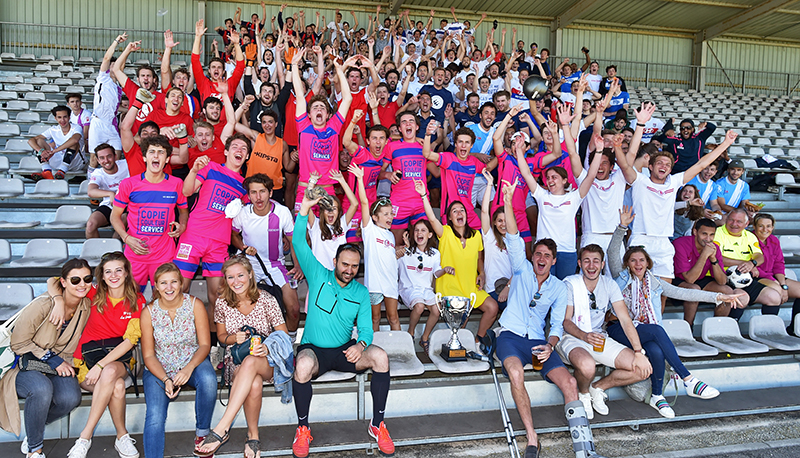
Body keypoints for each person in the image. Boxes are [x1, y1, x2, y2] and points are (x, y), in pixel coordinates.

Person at [494, 183, 604, 458]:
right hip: (509, 336)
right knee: (516, 373)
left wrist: (551, 345)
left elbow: (556, 325)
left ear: (554, 261)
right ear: (532, 258)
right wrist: (508, 201)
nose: (541, 258)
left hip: (538, 343)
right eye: (538, 254)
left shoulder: (558, 286)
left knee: (569, 383)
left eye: (546, 256)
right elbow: (513, 237)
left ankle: (584, 449)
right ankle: (532, 438)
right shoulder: (521, 270)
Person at [608, 208, 740, 418]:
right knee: (657, 332)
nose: (638, 264)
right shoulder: (620, 277)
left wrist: (718, 297)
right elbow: (612, 253)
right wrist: (622, 228)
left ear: (648, 264)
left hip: (644, 331)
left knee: (657, 350)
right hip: (619, 328)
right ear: (627, 264)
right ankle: (688, 379)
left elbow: (683, 292)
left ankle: (657, 396)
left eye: (642, 260)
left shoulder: (655, 283)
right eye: (633, 260)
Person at [291, 191, 394, 458]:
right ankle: (303, 428)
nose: (349, 270)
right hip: (314, 349)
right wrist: (304, 211)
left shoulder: (360, 292)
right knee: (302, 367)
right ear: (335, 262)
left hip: (345, 350)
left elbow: (368, 328)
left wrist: (361, 345)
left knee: (380, 357)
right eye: (345, 264)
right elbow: (299, 245)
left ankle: (377, 424)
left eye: (354, 266)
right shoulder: (318, 274)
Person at [615, 108, 737, 281]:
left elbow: (701, 164)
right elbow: (627, 163)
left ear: (671, 169)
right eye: (659, 162)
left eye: (667, 164)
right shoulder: (640, 180)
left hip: (664, 241)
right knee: (636, 287)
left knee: (666, 287)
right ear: (650, 166)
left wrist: (725, 144)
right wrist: (640, 124)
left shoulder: (674, 182)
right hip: (641, 238)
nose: (663, 166)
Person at [195, 257, 289, 458]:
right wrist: (232, 338)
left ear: (250, 275)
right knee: (253, 383)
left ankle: (221, 428)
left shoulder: (266, 299)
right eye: (230, 277)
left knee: (252, 361)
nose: (236, 281)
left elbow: (283, 335)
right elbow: (220, 337)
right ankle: (253, 436)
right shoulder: (222, 302)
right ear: (225, 279)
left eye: (240, 275)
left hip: (267, 361)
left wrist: (267, 347)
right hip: (236, 361)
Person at [0, 259, 92, 458]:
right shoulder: (43, 305)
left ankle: (34, 430)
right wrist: (52, 359)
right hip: (23, 365)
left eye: (87, 278)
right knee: (41, 389)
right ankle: (35, 449)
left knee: (70, 398)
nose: (82, 284)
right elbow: (18, 343)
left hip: (57, 364)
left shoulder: (86, 305)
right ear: (64, 282)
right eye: (75, 280)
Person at [58, 252, 145, 458]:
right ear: (102, 276)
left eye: (118, 270)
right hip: (86, 360)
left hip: (118, 361)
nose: (113, 275)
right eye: (108, 271)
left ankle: (84, 438)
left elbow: (128, 342)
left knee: (108, 372)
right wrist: (55, 300)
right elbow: (54, 282)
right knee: (116, 386)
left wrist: (100, 366)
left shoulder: (137, 301)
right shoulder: (93, 292)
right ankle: (122, 436)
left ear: (126, 273)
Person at [558, 244, 652, 420]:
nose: (591, 266)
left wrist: (638, 352)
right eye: (586, 261)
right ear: (579, 263)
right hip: (572, 337)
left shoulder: (609, 284)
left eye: (596, 261)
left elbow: (625, 320)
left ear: (602, 264)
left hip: (598, 337)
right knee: (587, 366)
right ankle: (584, 394)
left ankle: (598, 387)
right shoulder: (570, 284)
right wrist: (584, 336)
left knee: (641, 368)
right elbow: (565, 321)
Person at [140, 262, 216, 458]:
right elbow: (148, 355)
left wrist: (189, 368)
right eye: (163, 283)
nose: (169, 287)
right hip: (159, 368)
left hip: (192, 362)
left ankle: (202, 435)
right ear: (156, 286)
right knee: (155, 416)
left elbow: (205, 345)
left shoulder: (195, 304)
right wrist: (166, 379)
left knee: (208, 379)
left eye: (174, 282)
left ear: (181, 283)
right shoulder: (148, 312)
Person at [174, 129, 245, 334]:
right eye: (235, 147)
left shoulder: (244, 187)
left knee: (218, 297)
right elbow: (187, 192)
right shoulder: (211, 168)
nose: (239, 150)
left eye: (243, 148)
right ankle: (181, 339)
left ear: (246, 156)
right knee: (180, 290)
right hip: (193, 237)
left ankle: (216, 345)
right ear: (226, 152)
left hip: (219, 244)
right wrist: (194, 171)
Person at [415, 179, 499, 346]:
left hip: (470, 286)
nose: (459, 213)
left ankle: (476, 340)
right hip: (450, 286)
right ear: (449, 218)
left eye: (462, 210)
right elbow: (431, 218)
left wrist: (481, 273)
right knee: (461, 323)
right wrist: (424, 195)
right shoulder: (445, 232)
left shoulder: (476, 235)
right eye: (455, 211)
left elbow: (479, 258)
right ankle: (447, 345)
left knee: (492, 307)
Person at [517, 118, 603, 279]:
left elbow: (591, 175)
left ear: (564, 180)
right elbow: (525, 173)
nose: (550, 180)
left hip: (567, 251)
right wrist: (519, 152)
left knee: (565, 291)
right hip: (544, 252)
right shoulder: (542, 196)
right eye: (548, 178)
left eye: (554, 177)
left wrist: (598, 151)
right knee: (542, 290)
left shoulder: (574, 197)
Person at [110, 135, 188, 291]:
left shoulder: (176, 184)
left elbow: (183, 211)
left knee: (162, 303)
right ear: (145, 157)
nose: (156, 156)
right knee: (131, 301)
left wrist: (183, 226)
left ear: (167, 159)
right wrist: (127, 238)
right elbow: (114, 216)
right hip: (135, 254)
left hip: (164, 256)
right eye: (152, 152)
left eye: (161, 152)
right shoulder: (129, 184)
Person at [232, 173, 302, 335]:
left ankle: (289, 345)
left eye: (262, 191)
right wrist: (243, 247)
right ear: (248, 195)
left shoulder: (282, 212)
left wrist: (298, 265)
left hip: (275, 264)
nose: (258, 197)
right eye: (253, 192)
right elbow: (233, 235)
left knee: (294, 309)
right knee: (234, 304)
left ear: (270, 193)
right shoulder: (243, 213)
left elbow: (293, 241)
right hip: (248, 264)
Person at [290, 48, 356, 213]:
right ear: (310, 114)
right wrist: (294, 65)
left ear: (327, 115)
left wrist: (340, 71)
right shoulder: (304, 126)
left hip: (328, 190)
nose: (318, 109)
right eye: (314, 107)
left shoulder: (334, 127)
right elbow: (299, 95)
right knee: (300, 235)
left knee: (328, 235)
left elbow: (348, 98)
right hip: (305, 189)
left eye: (322, 107)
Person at [673, 218, 747, 326]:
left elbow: (722, 281)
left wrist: (713, 259)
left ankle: (716, 328)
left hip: (701, 279)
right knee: (694, 290)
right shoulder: (681, 243)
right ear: (695, 232)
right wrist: (704, 255)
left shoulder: (714, 247)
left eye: (712, 235)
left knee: (727, 291)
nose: (708, 238)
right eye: (704, 234)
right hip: (679, 280)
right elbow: (690, 279)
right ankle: (688, 327)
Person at [714, 208, 783, 316]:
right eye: (731, 220)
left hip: (745, 277)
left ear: (746, 223)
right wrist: (744, 263)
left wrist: (752, 263)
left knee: (773, 297)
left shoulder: (750, 236)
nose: (734, 224)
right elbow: (716, 258)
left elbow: (759, 256)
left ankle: (767, 330)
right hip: (722, 278)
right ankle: (730, 328)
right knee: (741, 298)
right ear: (726, 219)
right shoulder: (717, 233)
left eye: (739, 221)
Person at [398, 219, 448, 352]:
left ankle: (424, 338)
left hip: (426, 290)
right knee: (419, 306)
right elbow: (392, 263)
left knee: (437, 310)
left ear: (430, 234)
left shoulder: (434, 253)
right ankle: (410, 333)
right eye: (417, 230)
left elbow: (436, 273)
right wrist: (405, 248)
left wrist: (445, 270)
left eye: (423, 230)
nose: (419, 233)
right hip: (409, 289)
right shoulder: (406, 251)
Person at [751, 213, 800, 334]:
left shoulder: (774, 240)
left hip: (772, 277)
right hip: (756, 277)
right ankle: (767, 331)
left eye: (768, 226)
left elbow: (779, 264)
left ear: (773, 227)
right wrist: (777, 284)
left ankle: (794, 329)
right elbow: (752, 265)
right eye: (761, 226)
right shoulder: (749, 238)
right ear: (754, 226)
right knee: (775, 293)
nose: (765, 229)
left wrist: (783, 284)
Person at [89, 35, 126, 162]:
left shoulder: (118, 87)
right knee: (94, 158)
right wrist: (116, 42)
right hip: (98, 123)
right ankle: (91, 180)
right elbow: (106, 58)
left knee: (117, 154)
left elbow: (114, 107)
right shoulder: (103, 78)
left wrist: (129, 50)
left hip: (111, 124)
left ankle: (114, 181)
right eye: (113, 65)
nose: (116, 68)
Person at [480, 170, 512, 311]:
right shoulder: (490, 237)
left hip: (511, 289)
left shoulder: (516, 241)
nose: (503, 224)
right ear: (494, 222)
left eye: (506, 220)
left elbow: (519, 270)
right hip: (493, 290)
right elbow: (484, 211)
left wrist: (508, 288)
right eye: (499, 221)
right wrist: (489, 185)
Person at [86, 143, 130, 239]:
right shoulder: (98, 173)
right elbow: (91, 191)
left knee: (121, 224)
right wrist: (111, 194)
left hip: (127, 205)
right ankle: (95, 253)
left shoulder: (126, 164)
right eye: (102, 158)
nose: (106, 161)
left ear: (115, 156)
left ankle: (113, 251)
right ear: (97, 160)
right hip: (109, 205)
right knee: (90, 225)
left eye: (109, 156)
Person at [28, 105, 83, 180]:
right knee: (39, 141)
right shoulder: (53, 129)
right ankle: (46, 170)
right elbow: (31, 140)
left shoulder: (76, 127)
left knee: (73, 143)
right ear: (55, 118)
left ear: (69, 117)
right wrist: (41, 151)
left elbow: (75, 140)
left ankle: (62, 170)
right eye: (59, 117)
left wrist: (54, 151)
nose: (62, 120)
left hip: (75, 162)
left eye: (65, 117)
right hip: (57, 160)